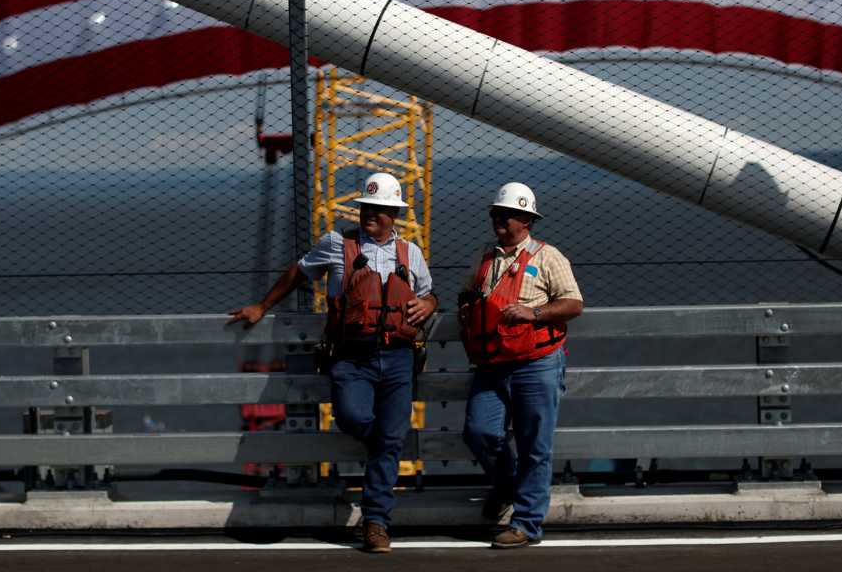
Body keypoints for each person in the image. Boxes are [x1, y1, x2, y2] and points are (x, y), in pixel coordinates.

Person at [228, 171, 436, 554]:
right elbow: (297, 272)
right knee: (354, 418)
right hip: (350, 357)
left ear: (394, 214)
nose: (370, 214)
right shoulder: (336, 244)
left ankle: (375, 523)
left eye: (379, 209)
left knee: (389, 439)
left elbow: (428, 295)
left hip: (398, 357)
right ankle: (385, 448)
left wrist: (429, 303)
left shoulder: (411, 252)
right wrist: (262, 305)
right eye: (366, 208)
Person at [457, 182, 583, 549]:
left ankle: (527, 522)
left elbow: (573, 304)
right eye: (495, 213)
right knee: (479, 431)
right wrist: (466, 305)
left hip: (536, 363)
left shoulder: (548, 257)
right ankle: (507, 485)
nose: (498, 219)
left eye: (506, 214)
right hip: (491, 362)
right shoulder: (485, 256)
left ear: (526, 221)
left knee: (534, 444)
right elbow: (468, 291)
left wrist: (535, 312)